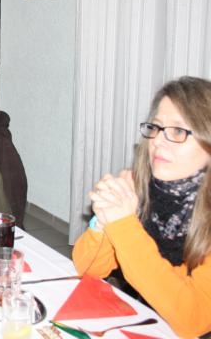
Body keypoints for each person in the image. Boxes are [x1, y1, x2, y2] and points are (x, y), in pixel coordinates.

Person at [72, 76, 211, 339]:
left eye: (178, 131)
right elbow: (88, 269)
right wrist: (103, 221)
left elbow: (193, 318)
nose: (158, 141)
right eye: (156, 127)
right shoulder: (142, 188)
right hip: (144, 321)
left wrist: (124, 224)